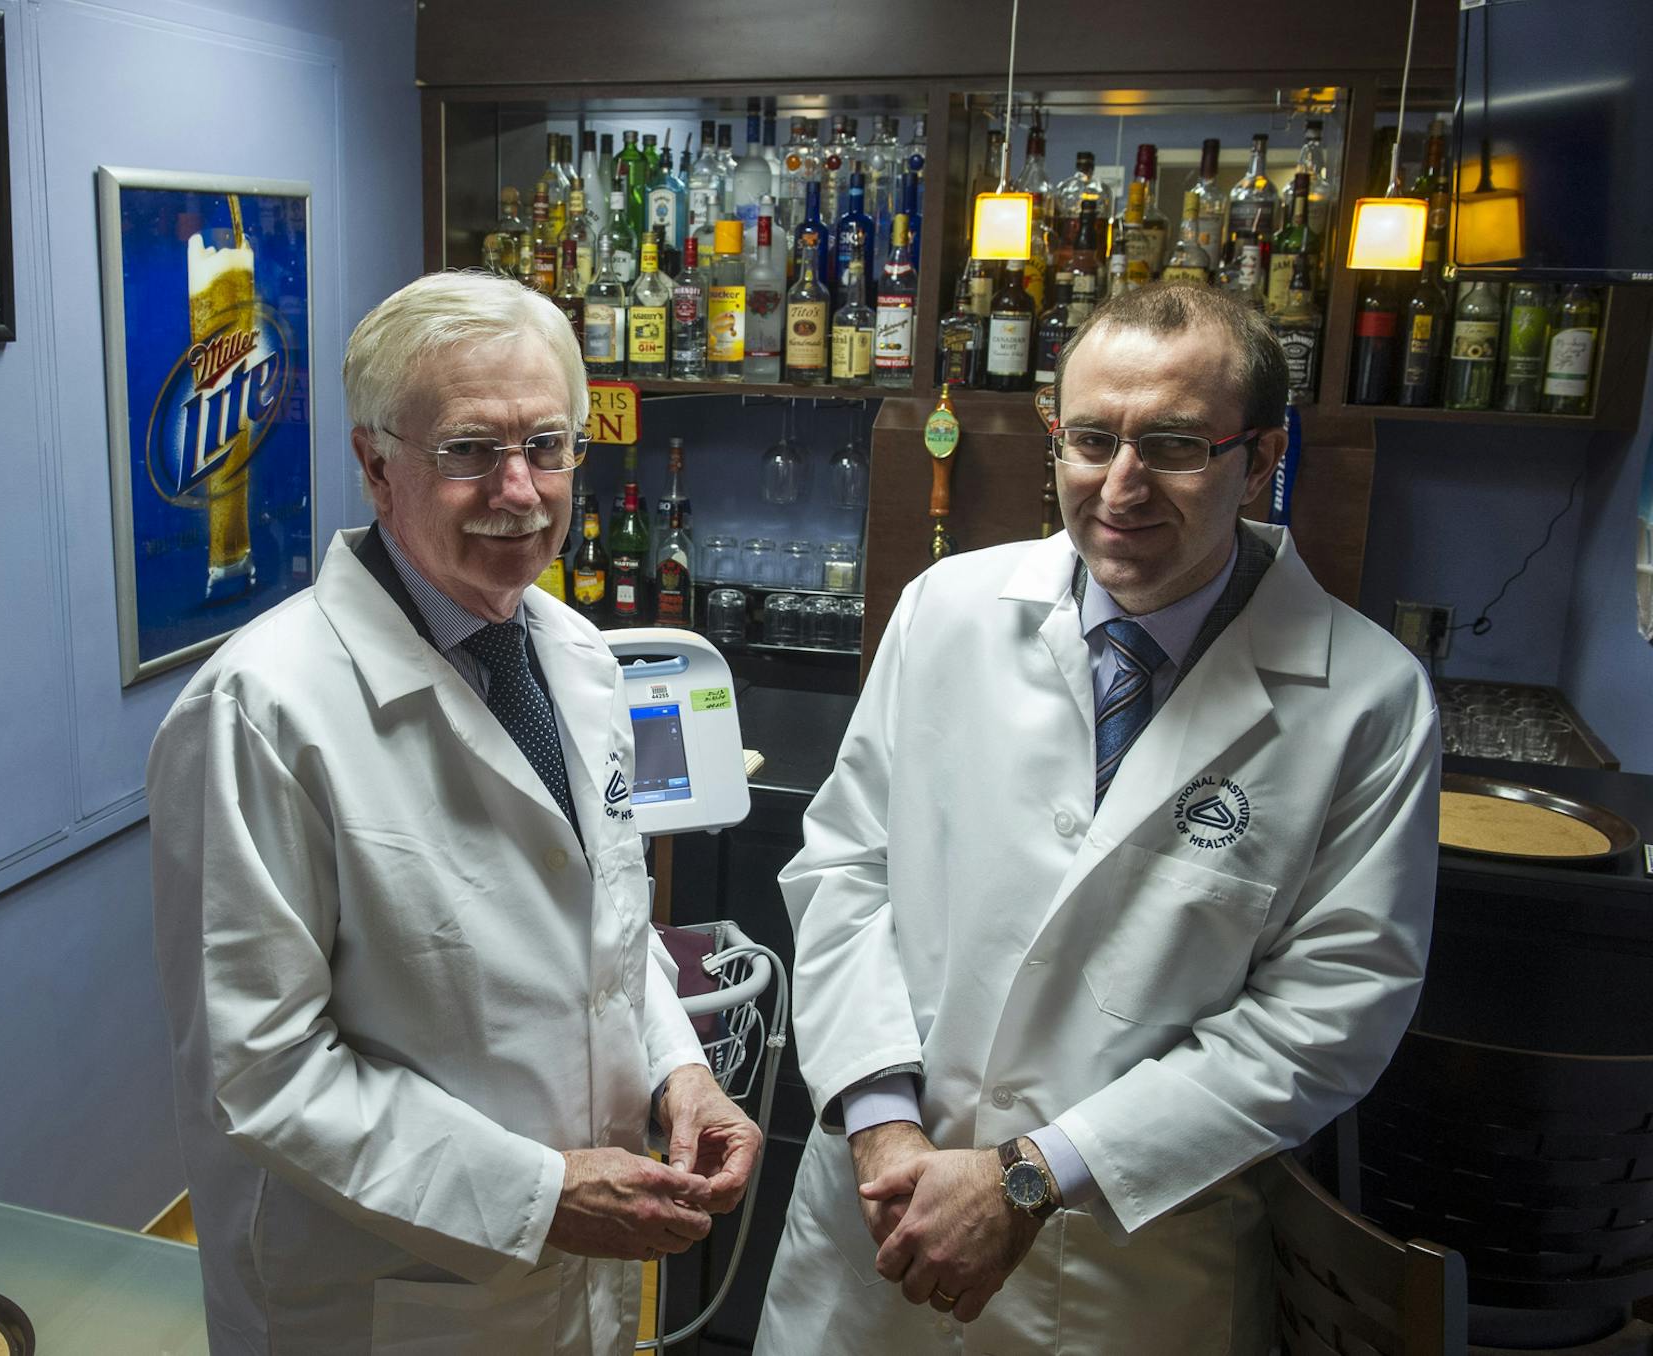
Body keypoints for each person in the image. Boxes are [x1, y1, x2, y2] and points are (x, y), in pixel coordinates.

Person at [755, 284, 1439, 1355]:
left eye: (1173, 445)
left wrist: (1034, 1177)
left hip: (1124, 1275)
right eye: (1090, 439)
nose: (1121, 486)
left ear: (1260, 459)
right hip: (876, 1226)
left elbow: (1324, 1021)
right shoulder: (947, 610)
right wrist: (883, 1125)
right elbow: (844, 871)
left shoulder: (1366, 697)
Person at [148, 270, 760, 1356]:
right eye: (470, 451)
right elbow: (265, 1069)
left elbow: (608, 940)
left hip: (574, 1280)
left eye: (550, 446)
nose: (520, 491)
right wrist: (538, 1194)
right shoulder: (264, 710)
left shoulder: (570, 654)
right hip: (390, 1297)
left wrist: (682, 1071)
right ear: (377, 465)